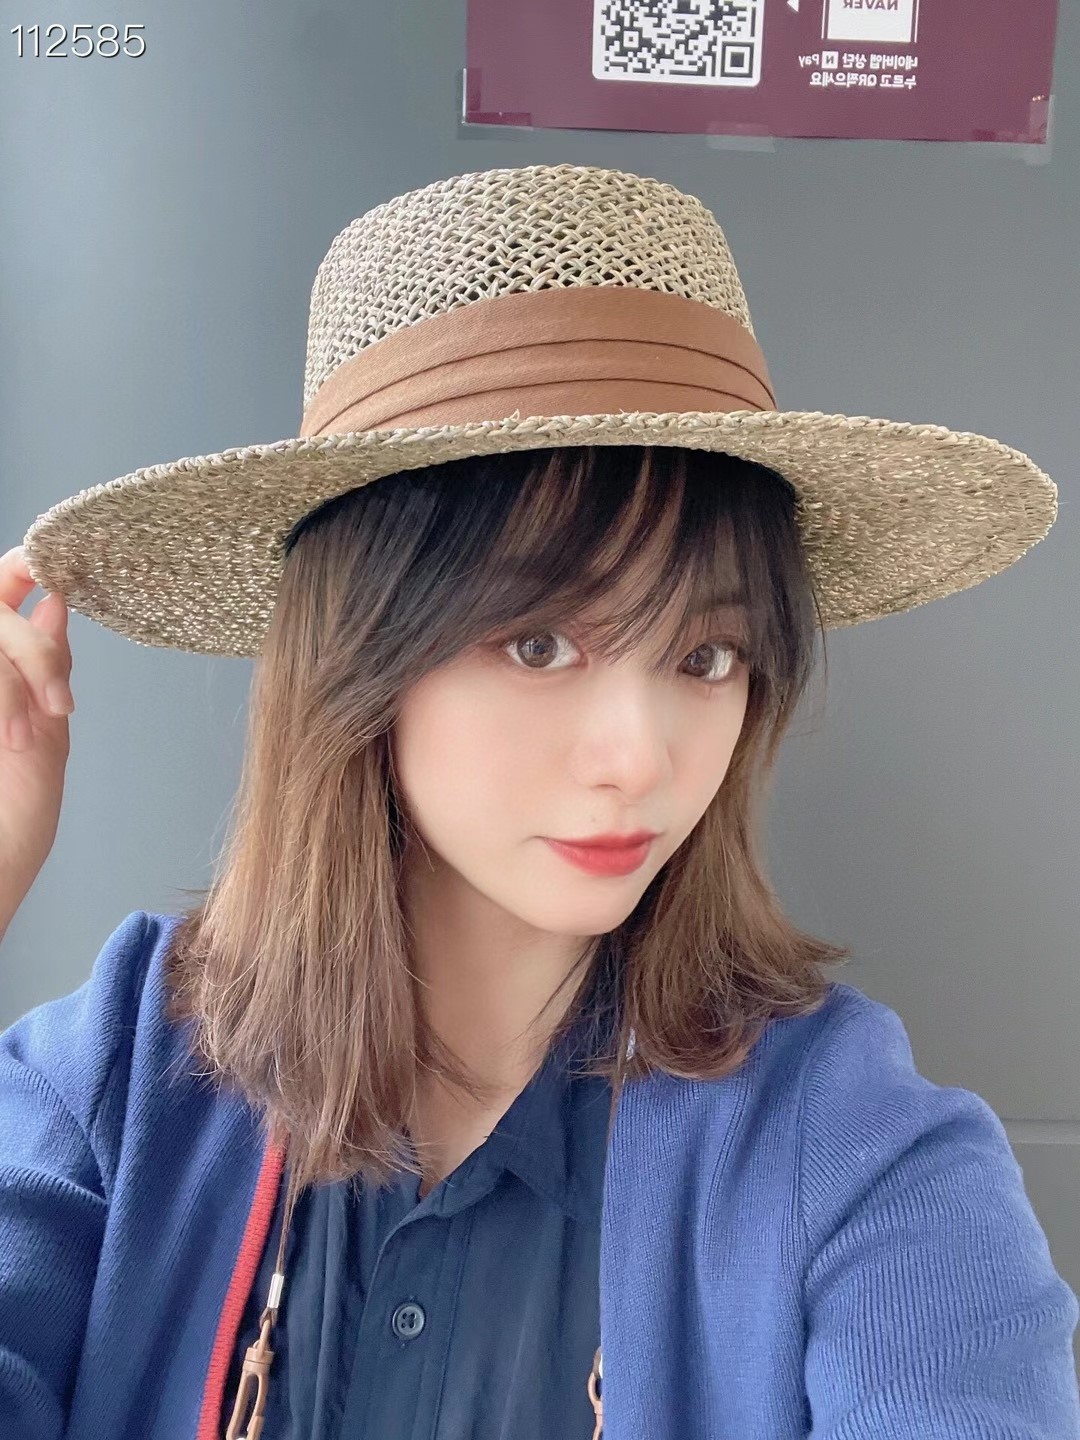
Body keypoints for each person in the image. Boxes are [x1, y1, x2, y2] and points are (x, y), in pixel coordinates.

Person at [1, 163, 1077, 1440]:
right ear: (359, 656)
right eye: (539, 643)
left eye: (706, 655)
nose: (640, 758)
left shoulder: (856, 1155)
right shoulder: (122, 1082)